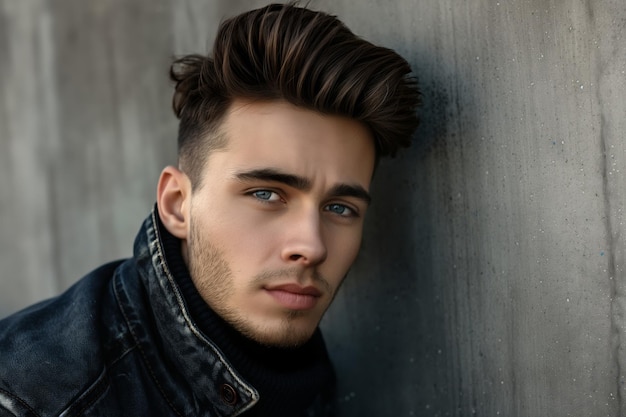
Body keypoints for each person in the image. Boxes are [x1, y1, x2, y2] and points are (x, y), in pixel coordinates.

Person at [0, 3, 420, 416]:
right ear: (177, 205)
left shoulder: (301, 378)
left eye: (339, 207)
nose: (311, 246)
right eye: (266, 194)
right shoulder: (34, 398)